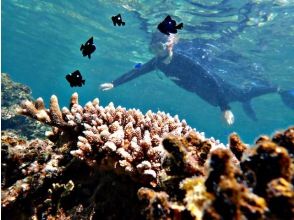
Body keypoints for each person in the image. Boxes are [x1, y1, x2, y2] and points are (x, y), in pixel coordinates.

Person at [100, 31, 294, 125]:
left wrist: (224, 107)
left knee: (243, 94)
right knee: (243, 97)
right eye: (152, 49)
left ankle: (278, 89)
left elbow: (212, 80)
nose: (156, 53)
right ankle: (249, 100)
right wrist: (115, 83)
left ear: (169, 46)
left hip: (221, 90)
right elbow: (138, 70)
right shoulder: (157, 63)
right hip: (206, 94)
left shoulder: (185, 59)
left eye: (159, 48)